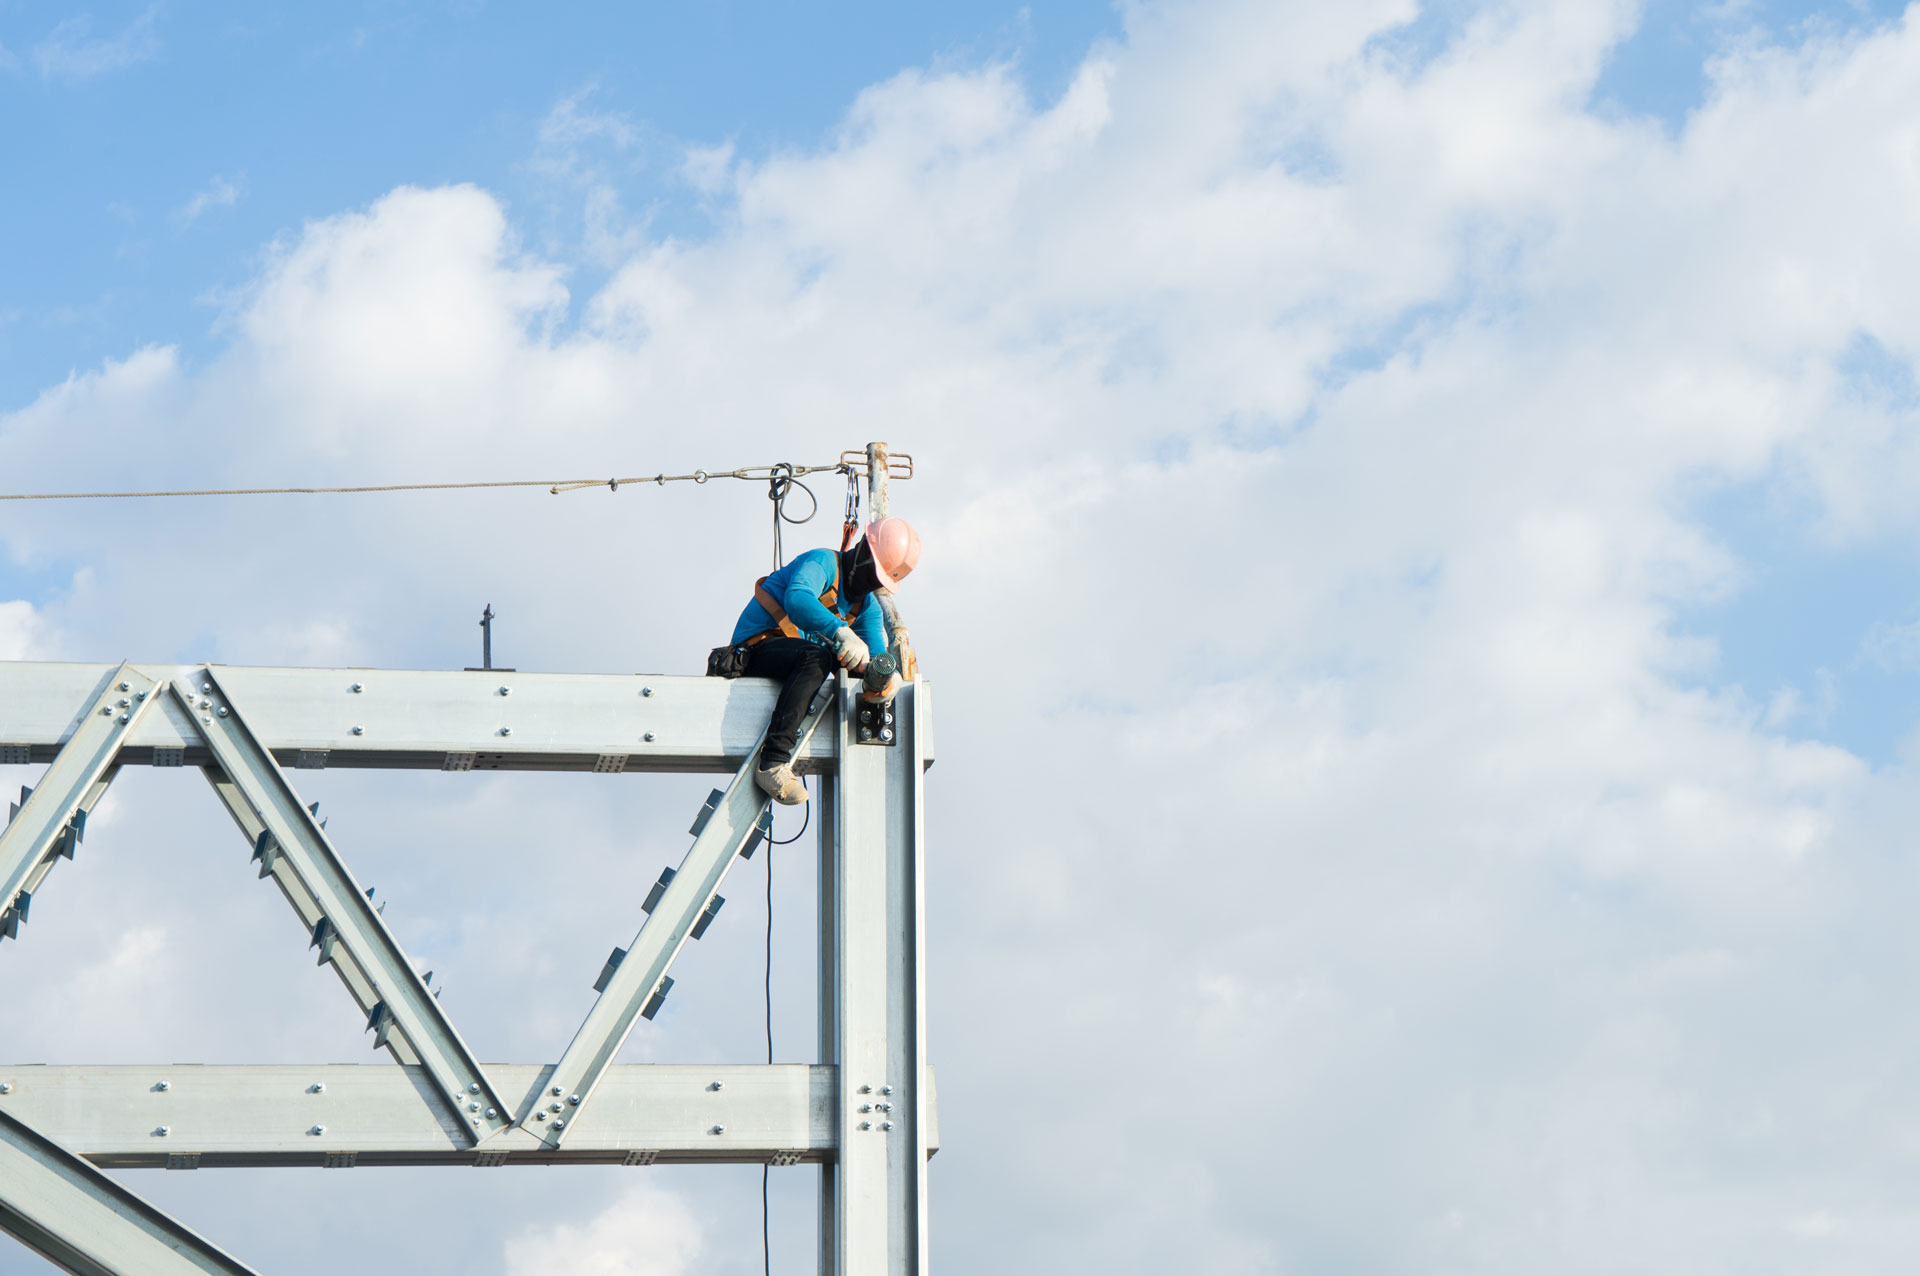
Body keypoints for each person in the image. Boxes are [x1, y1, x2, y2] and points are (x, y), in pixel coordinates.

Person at [730, 517, 920, 804]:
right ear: (862, 552)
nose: (870, 584)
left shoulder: (866, 608)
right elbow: (798, 599)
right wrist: (840, 630)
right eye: (873, 573)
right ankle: (772, 762)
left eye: (878, 580)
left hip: (798, 665)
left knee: (848, 663)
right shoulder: (822, 563)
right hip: (756, 650)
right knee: (819, 655)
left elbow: (876, 653)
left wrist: (884, 674)